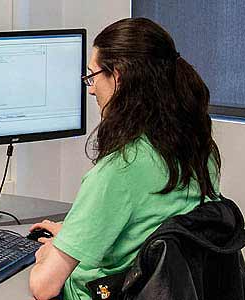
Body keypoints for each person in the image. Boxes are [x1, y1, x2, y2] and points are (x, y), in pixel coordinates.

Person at [28, 17, 221, 300]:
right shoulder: (201, 150)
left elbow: (44, 287)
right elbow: (149, 233)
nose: (91, 89)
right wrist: (73, 235)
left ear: (117, 77)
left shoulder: (120, 168)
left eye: (92, 76)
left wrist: (47, 254)